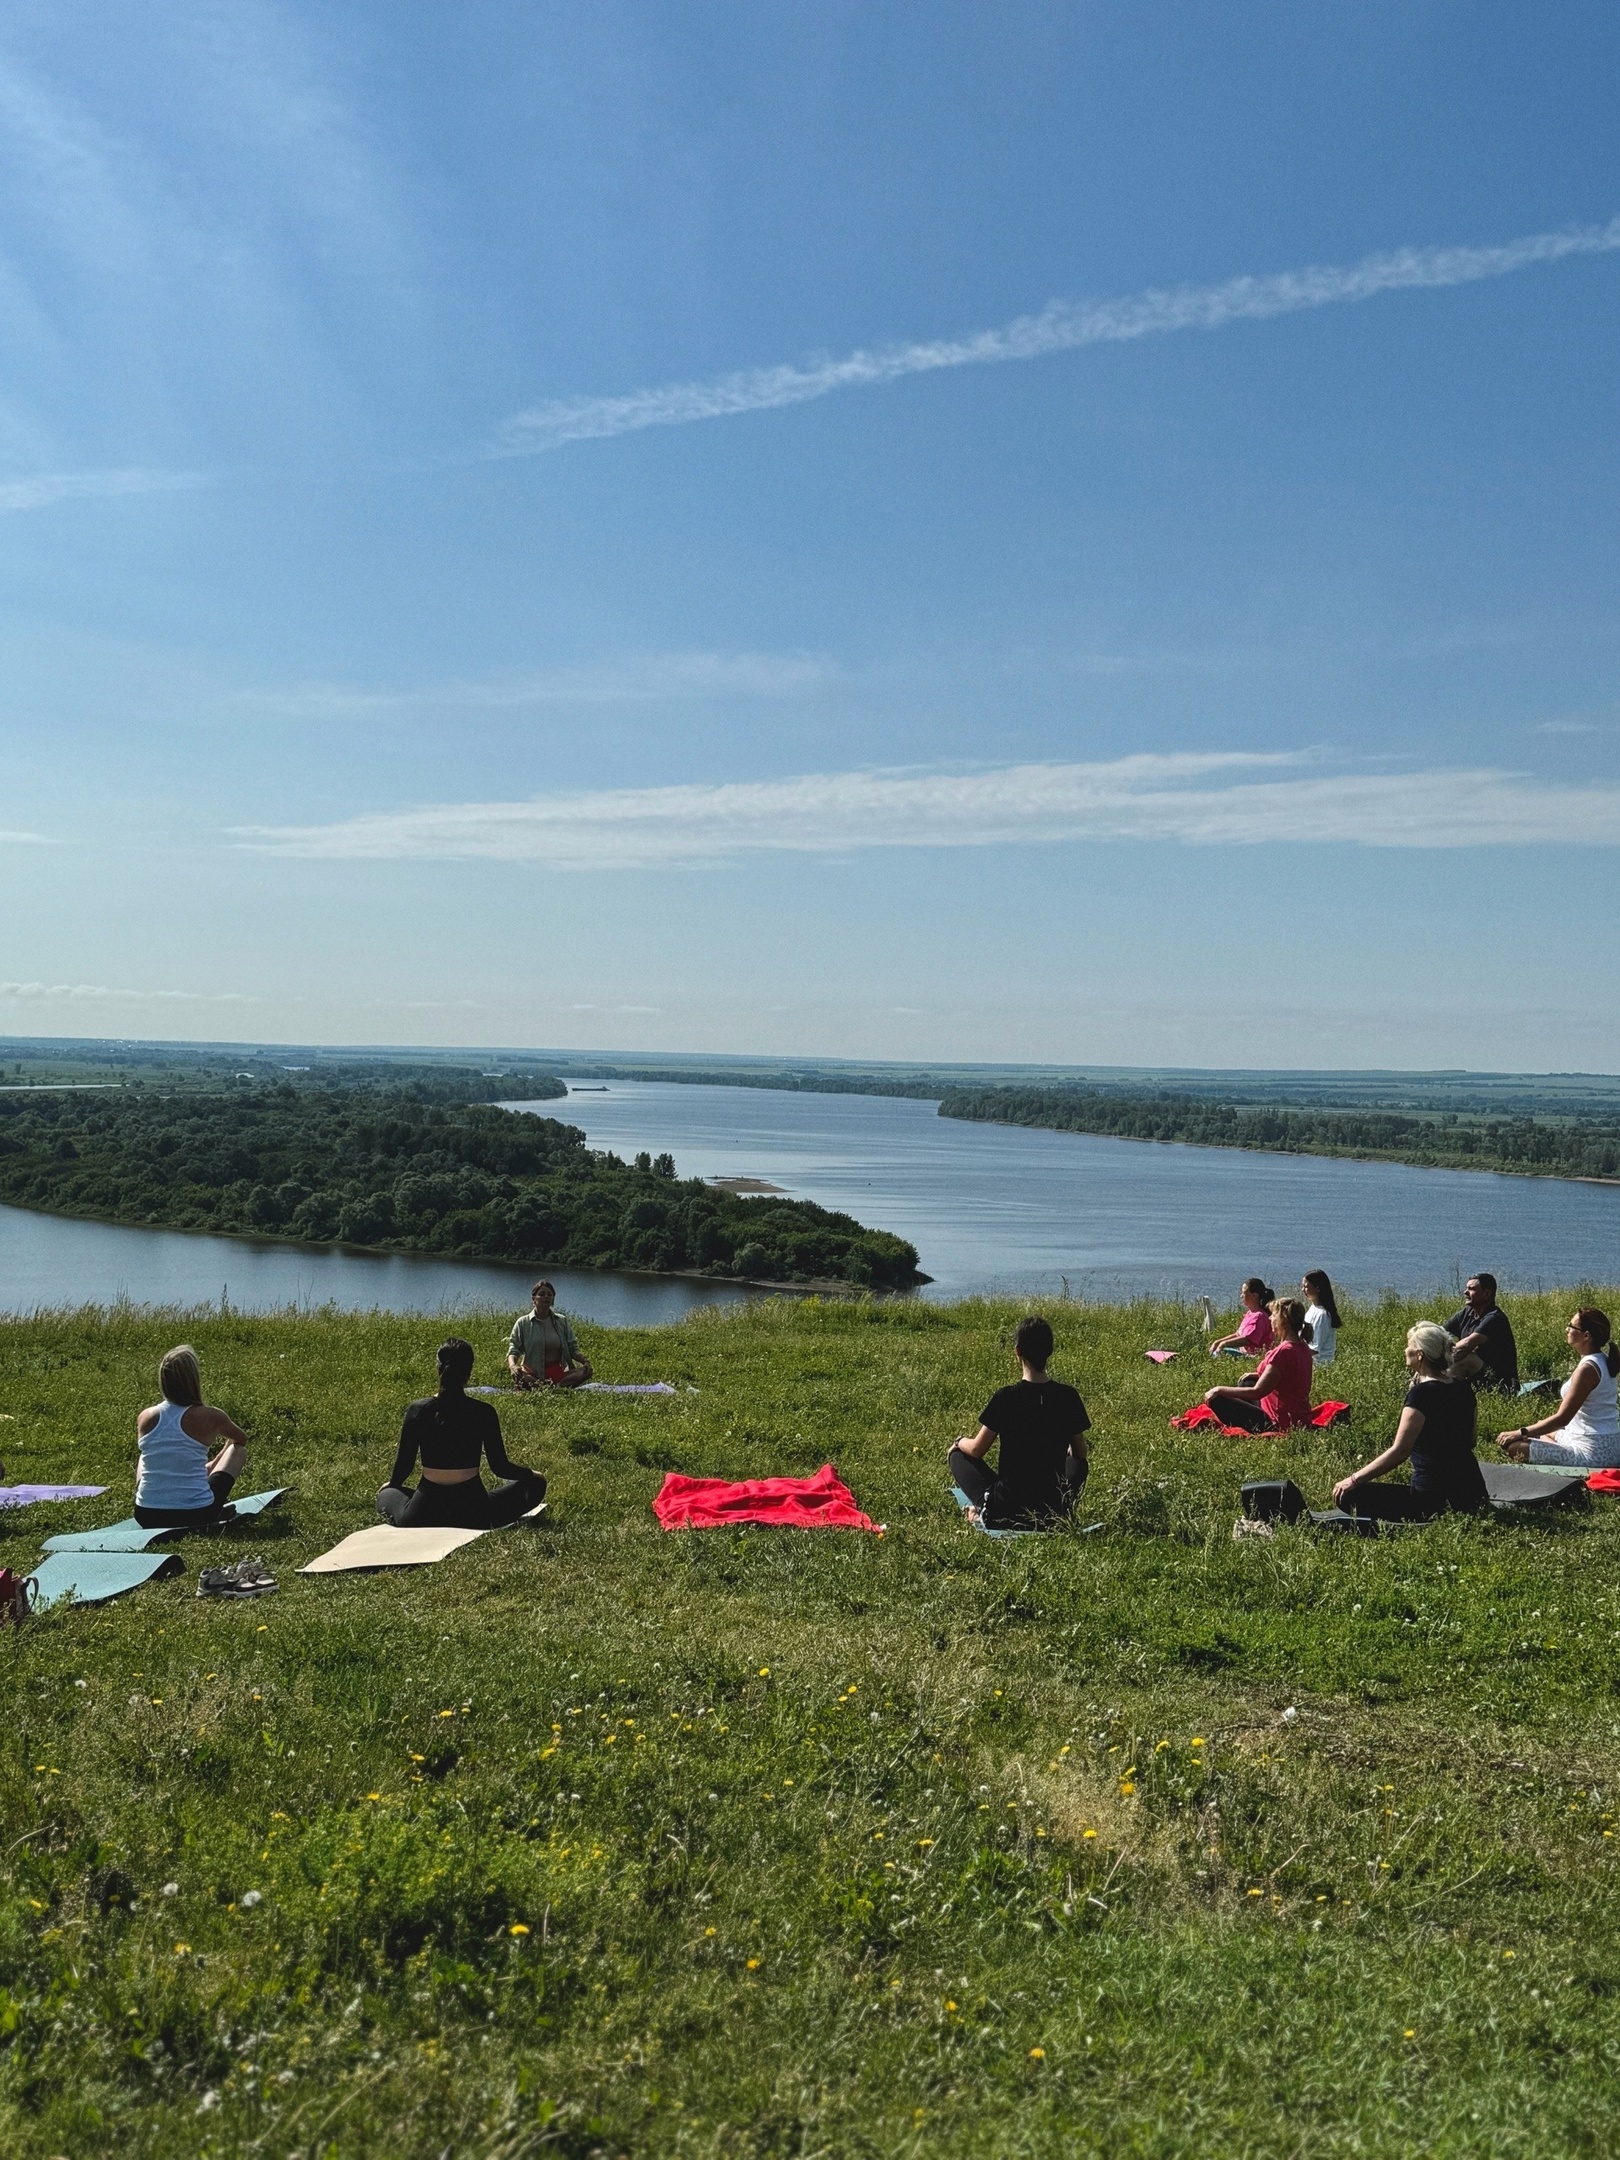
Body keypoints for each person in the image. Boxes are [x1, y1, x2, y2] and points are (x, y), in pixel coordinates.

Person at [378, 1338, 546, 1529]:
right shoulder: (484, 1412)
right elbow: (500, 1467)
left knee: (386, 1494)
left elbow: (404, 1466)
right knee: (536, 1485)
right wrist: (531, 1474)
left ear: (438, 1368)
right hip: (475, 1513)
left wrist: (392, 1484)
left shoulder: (418, 1410)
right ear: (469, 1372)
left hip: (422, 1513)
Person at [1331, 1321, 1486, 1521]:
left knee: (1347, 1496)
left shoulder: (1421, 1395)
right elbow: (1471, 1441)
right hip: (1473, 1492)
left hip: (1433, 1497)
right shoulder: (1463, 1387)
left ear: (1420, 1354)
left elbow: (1400, 1452)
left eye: (1409, 1346)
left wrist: (1354, 1479)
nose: (1405, 1350)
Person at [948, 1315, 1090, 1530]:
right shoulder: (1067, 1396)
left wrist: (959, 1442)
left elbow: (976, 1449)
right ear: (1050, 1351)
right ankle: (1059, 1508)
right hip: (1049, 1507)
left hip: (1007, 1506)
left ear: (1018, 1351)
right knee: (1078, 1464)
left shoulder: (1006, 1397)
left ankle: (984, 1511)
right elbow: (1080, 1454)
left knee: (959, 1456)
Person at [135, 1344, 251, 1530]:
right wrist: (214, 1465)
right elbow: (240, 1439)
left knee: (144, 1456)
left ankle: (153, 1497)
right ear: (193, 1380)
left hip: (146, 1515)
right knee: (239, 1451)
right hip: (195, 1513)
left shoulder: (146, 1416)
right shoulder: (211, 1415)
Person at [1498, 1309, 1620, 1468]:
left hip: (1594, 1452)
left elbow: (1563, 1419)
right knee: (1543, 1429)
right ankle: (1547, 1444)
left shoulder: (1588, 1369)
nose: (1567, 1329)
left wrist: (1520, 1432)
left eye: (1572, 1326)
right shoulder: (1601, 1359)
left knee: (1515, 1447)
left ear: (1586, 1336)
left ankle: (1547, 1447)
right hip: (1607, 1443)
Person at [1201, 1298, 1315, 1432]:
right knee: (1247, 1381)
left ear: (1282, 1321)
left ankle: (1255, 1425)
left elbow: (1257, 1392)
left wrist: (1218, 1389)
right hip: (1299, 1416)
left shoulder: (1283, 1352)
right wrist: (1255, 1375)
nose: (1270, 1318)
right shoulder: (1302, 1347)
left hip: (1279, 1422)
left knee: (1217, 1399)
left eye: (1273, 1315)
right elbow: (1289, 1377)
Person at [508, 1281, 592, 1390]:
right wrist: (513, 1366)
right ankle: (553, 1388)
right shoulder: (523, 1323)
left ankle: (550, 1387)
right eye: (542, 1294)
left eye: (549, 1294)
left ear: (553, 1299)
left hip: (558, 1373)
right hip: (532, 1374)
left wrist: (585, 1362)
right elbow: (514, 1349)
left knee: (585, 1372)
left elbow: (573, 1348)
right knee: (520, 1377)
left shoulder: (562, 1321)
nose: (546, 1297)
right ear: (534, 1299)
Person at [1443, 1274, 1518, 1393]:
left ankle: (1440, 1393)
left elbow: (1467, 1344)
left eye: (1471, 1289)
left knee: (1467, 1357)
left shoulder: (1495, 1318)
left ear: (1487, 1294)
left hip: (1499, 1383)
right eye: (1466, 1288)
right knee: (1430, 1352)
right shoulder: (1466, 1313)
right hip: (1477, 1378)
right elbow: (1439, 1333)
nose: (1465, 1292)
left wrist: (1439, 1358)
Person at [1209, 1280, 1275, 1360]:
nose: (1241, 1296)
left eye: (1244, 1293)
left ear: (1254, 1296)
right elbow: (1238, 1335)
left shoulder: (1260, 1317)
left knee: (1221, 1352)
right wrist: (1217, 1342)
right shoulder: (1250, 1313)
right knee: (1216, 1350)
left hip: (1254, 1357)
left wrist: (1224, 1344)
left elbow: (1247, 1340)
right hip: (1244, 1353)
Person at [1301, 1271, 1341, 1365]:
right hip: (1309, 1362)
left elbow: (1315, 1349)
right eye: (1302, 1286)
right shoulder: (1313, 1308)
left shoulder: (1322, 1315)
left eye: (1306, 1287)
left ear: (1317, 1288)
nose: (1303, 1290)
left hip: (1320, 1365)